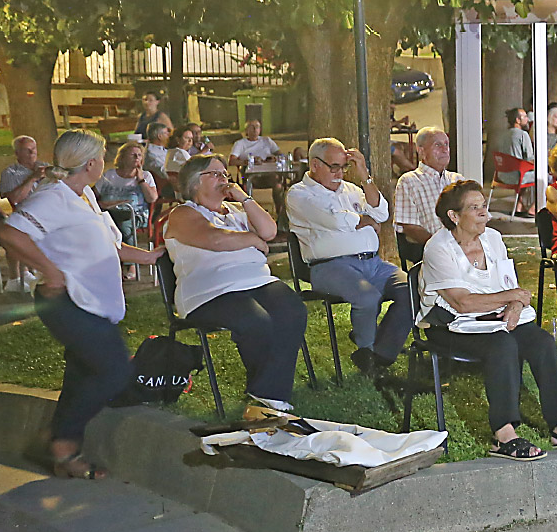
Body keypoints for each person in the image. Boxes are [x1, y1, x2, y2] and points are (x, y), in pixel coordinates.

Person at [0, 130, 160, 479]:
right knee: (114, 371)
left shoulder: (83, 194)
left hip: (92, 302)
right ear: (92, 163)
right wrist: (51, 273)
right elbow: (10, 232)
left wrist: (151, 257)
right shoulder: (53, 197)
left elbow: (109, 246)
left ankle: (59, 450)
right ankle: (60, 443)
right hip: (67, 303)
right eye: (102, 155)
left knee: (83, 374)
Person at [422, 180, 557, 459]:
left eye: (484, 206)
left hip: (496, 318)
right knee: (502, 345)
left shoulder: (492, 238)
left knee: (540, 342)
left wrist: (515, 304)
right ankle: (503, 435)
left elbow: (512, 287)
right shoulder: (438, 248)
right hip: (450, 324)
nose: (485, 214)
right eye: (475, 208)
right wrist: (512, 297)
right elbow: (461, 301)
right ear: (453, 216)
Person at [164, 155, 306, 418]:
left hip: (256, 280)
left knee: (292, 310)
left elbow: (270, 231)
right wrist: (251, 239)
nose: (224, 179)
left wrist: (245, 199)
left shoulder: (237, 211)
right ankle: (270, 396)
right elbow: (214, 240)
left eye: (225, 174)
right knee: (256, 320)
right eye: (215, 174)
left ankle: (266, 391)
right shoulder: (183, 213)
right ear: (195, 182)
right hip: (209, 291)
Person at [287, 138, 412, 375]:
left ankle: (378, 355)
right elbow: (334, 220)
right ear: (315, 165)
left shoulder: (353, 189)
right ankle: (368, 349)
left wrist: (364, 174)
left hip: (372, 263)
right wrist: (363, 220)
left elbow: (382, 213)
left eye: (344, 167)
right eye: (334, 167)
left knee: (411, 290)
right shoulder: (299, 194)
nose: (339, 173)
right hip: (329, 266)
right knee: (367, 297)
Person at [391, 127, 463, 246]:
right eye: (438, 145)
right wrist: (440, 246)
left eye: (446, 144)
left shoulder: (458, 180)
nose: (445, 150)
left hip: (466, 245)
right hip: (434, 249)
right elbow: (408, 226)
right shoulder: (409, 181)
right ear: (421, 151)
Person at [93, 142, 160, 242]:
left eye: (139, 155)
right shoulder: (109, 175)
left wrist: (141, 180)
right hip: (108, 212)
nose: (137, 157)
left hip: (134, 215)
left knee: (123, 225)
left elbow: (152, 198)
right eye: (133, 155)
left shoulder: (146, 176)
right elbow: (93, 195)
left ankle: (128, 254)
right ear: (122, 158)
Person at [230, 118, 289, 213]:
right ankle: (251, 212)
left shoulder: (266, 141)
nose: (255, 129)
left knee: (279, 184)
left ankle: (280, 212)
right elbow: (232, 161)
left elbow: (280, 155)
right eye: (252, 127)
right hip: (250, 177)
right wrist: (249, 161)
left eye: (257, 127)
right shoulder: (240, 143)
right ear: (246, 130)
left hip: (269, 174)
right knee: (246, 185)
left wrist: (274, 158)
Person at [1, 134, 45, 206]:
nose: (32, 152)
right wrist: (33, 178)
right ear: (17, 153)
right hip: (30, 211)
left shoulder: (45, 166)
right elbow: (14, 200)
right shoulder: (10, 173)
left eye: (33, 148)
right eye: (27, 150)